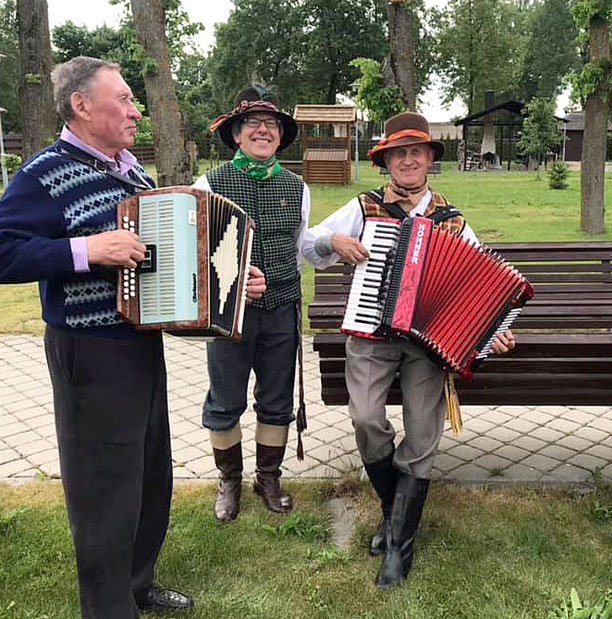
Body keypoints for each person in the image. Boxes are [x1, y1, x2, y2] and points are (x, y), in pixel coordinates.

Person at [0, 56, 225, 616]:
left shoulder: (130, 171)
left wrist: (222, 282)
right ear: (82, 106)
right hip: (90, 354)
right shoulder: (45, 173)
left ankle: (137, 585)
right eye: (124, 99)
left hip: (138, 348)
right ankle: (108, 608)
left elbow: (158, 260)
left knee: (149, 477)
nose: (135, 109)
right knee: (104, 492)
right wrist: (84, 251)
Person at [302, 111, 515, 588]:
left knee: (423, 435)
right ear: (387, 161)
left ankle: (398, 544)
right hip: (371, 334)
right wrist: (334, 239)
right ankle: (392, 510)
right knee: (365, 420)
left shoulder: (451, 219)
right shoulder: (364, 207)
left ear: (429, 159)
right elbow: (309, 245)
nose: (408, 160)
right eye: (399, 153)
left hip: (426, 345)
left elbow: (483, 284)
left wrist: (492, 330)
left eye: (416, 151)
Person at [195, 86, 319, 521]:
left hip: (283, 309)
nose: (263, 131)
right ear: (236, 134)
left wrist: (336, 243)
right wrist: (230, 276)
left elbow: (302, 246)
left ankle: (268, 477)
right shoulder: (209, 184)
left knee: (276, 399)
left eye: (272, 125)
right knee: (225, 400)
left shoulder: (297, 187)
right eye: (253, 124)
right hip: (229, 314)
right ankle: (229, 480)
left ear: (280, 137)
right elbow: (192, 251)